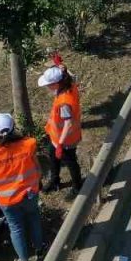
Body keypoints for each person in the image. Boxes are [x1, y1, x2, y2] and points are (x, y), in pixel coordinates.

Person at [0, 113, 44, 261]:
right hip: (29, 194)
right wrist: (38, 182)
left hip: (7, 202)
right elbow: (38, 168)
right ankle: (39, 248)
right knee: (33, 217)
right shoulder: (29, 144)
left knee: (16, 227)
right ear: (14, 128)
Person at [39, 65, 84, 194]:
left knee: (70, 162)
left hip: (66, 140)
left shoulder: (65, 102)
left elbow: (68, 123)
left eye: (48, 84)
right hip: (55, 136)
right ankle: (55, 181)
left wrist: (60, 144)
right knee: (53, 158)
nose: (47, 87)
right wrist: (62, 68)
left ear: (56, 84)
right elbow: (70, 74)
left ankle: (77, 186)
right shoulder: (69, 83)